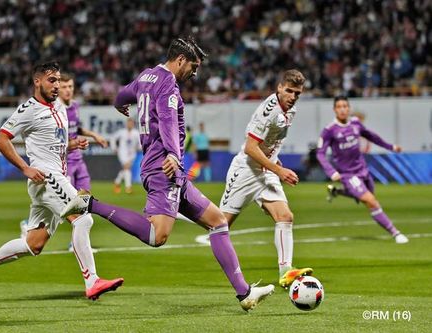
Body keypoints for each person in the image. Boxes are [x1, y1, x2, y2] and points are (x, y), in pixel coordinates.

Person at [61, 37, 275, 312]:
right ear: (180, 60)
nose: (195, 73)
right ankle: (90, 204)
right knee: (157, 236)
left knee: (218, 221)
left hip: (169, 170)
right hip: (164, 168)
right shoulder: (169, 86)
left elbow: (123, 94)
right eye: (193, 66)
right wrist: (174, 154)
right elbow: (167, 121)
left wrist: (120, 103)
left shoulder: (147, 76)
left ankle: (244, 292)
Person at [0, 62, 124, 300]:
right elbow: (1, 139)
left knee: (33, 244)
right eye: (52, 80)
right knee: (83, 218)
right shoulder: (28, 109)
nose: (57, 85)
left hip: (52, 179)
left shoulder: (59, 107)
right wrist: (25, 168)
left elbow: (54, 144)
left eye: (59, 80)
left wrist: (71, 145)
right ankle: (92, 281)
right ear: (37, 81)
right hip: (46, 177)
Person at [218, 69, 313, 289]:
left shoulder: (291, 111)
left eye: (296, 93)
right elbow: (251, 148)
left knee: (285, 216)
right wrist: (279, 171)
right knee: (218, 225)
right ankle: (182, 210)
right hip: (246, 171)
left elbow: (270, 143)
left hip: (266, 171)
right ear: (279, 87)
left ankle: (286, 271)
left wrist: (274, 163)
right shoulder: (268, 111)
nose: (292, 96)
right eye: (288, 91)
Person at [20, 72, 109, 252]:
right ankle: (33, 225)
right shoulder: (55, 109)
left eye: (71, 87)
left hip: (78, 160)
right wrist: (71, 144)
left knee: (84, 198)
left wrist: (94, 135)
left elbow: (77, 126)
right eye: (65, 87)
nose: (68, 90)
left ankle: (76, 243)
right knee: (69, 206)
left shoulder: (74, 106)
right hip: (62, 163)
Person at [316, 96, 409, 244]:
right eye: (339, 107)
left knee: (366, 197)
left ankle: (337, 191)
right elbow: (320, 153)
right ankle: (396, 233)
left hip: (363, 170)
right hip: (347, 174)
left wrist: (391, 147)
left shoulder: (355, 123)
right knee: (371, 201)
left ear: (349, 108)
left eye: (345, 106)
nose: (342, 109)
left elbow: (372, 136)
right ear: (334, 110)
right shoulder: (329, 130)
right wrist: (331, 171)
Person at [112, 118, 141, 194]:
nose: (129, 124)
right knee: (127, 168)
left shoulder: (136, 133)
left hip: (132, 154)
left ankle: (117, 182)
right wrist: (114, 147)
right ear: (126, 124)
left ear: (133, 124)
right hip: (122, 153)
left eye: (131, 123)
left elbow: (141, 143)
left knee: (126, 169)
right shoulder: (122, 132)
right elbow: (113, 138)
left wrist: (139, 147)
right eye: (128, 123)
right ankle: (128, 187)